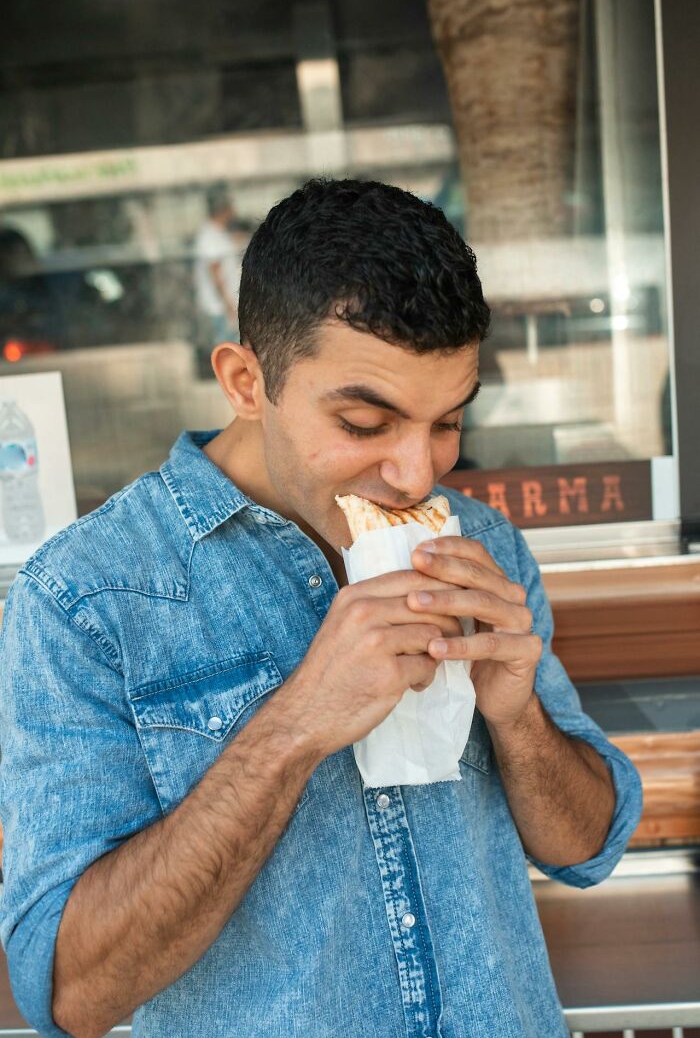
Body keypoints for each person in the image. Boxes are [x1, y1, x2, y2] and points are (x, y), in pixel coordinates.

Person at [0, 178, 642, 1038]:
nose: (418, 473)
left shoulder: (483, 544)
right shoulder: (84, 598)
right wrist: (295, 723)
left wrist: (518, 716)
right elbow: (71, 992)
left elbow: (585, 849)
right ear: (244, 381)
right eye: (365, 421)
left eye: (448, 422)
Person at [193, 186, 243, 353]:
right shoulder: (209, 236)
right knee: (227, 350)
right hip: (220, 306)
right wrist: (228, 304)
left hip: (227, 304)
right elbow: (215, 273)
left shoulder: (218, 233)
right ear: (223, 209)